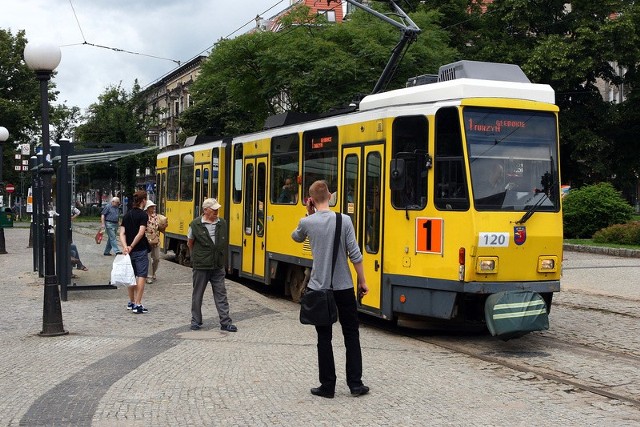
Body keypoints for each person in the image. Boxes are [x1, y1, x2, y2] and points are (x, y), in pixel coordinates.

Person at [291, 180, 370, 399]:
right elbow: (355, 255)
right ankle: (355, 384)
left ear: (311, 200)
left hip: (319, 287)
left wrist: (308, 214)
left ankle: (327, 386)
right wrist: (362, 281)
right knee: (351, 334)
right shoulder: (344, 220)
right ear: (330, 197)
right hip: (344, 287)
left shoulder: (307, 222)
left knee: (323, 338)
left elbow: (296, 237)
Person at [187, 198, 237, 332]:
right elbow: (190, 243)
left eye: (217, 209)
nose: (216, 211)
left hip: (217, 264)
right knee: (198, 294)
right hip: (201, 265)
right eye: (213, 209)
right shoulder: (195, 224)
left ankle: (225, 322)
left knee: (221, 293)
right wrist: (197, 258)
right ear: (205, 210)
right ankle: (196, 320)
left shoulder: (222, 223)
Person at [119, 190, 149, 314]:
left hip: (128, 252)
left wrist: (126, 247)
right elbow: (141, 232)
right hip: (140, 249)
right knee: (141, 276)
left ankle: (131, 302)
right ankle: (138, 303)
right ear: (143, 201)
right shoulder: (143, 215)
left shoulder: (127, 215)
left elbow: (121, 233)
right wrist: (132, 245)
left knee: (131, 276)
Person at [144, 199, 160, 284]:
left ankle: (153, 272)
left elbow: (159, 227)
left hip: (156, 240)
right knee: (148, 258)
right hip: (146, 240)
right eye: (151, 207)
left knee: (157, 258)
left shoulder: (156, 216)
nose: (153, 208)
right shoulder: (144, 216)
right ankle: (149, 276)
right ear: (147, 208)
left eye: (153, 207)